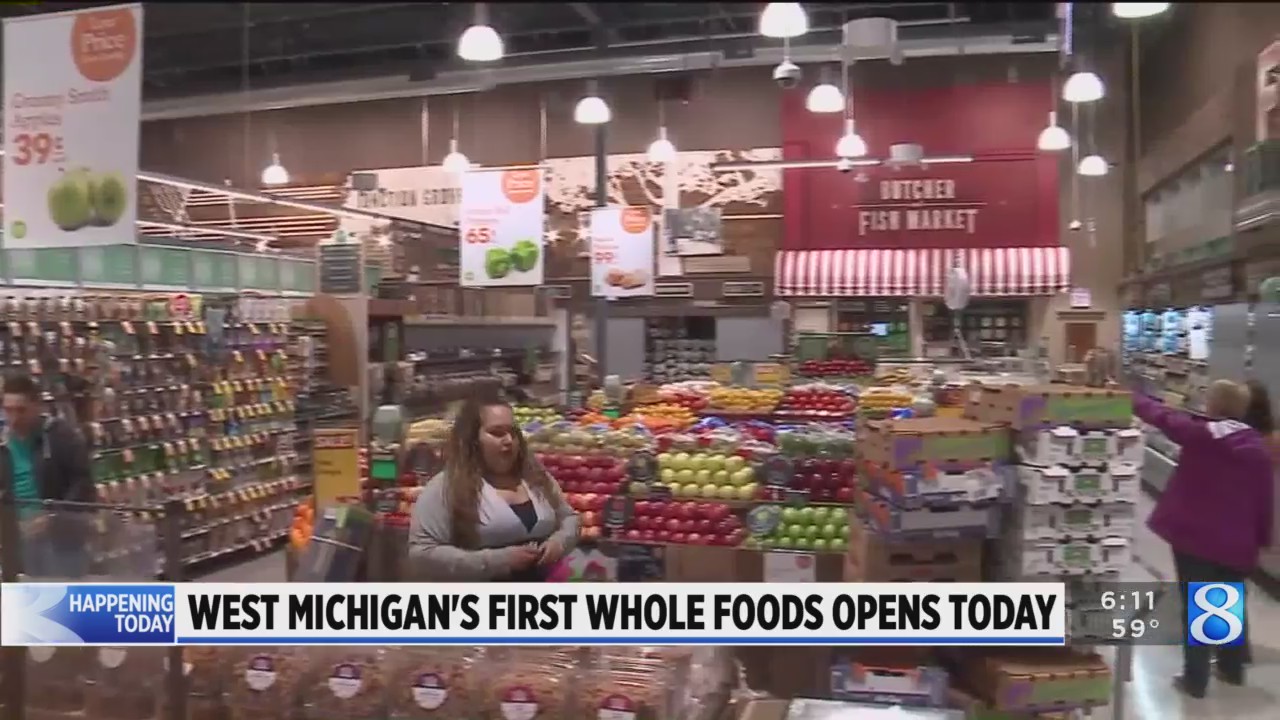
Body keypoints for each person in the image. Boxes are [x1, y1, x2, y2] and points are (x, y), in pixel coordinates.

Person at [1134, 379, 1274, 698]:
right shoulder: (1256, 448)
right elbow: (1264, 499)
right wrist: (1262, 538)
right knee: (1227, 599)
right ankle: (1231, 668)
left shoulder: (1200, 435)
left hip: (1196, 537)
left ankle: (1195, 680)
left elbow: (1161, 416)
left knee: (1196, 602)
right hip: (1238, 541)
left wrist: (1133, 397)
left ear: (1213, 406)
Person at [407, 390, 578, 581]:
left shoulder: (536, 478)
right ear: (472, 440)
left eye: (512, 432)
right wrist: (496, 561)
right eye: (496, 433)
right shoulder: (446, 487)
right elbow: (421, 553)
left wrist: (559, 542)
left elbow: (569, 518)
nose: (508, 440)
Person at [0, 373, 96, 578]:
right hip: (17, 544)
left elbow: (83, 484)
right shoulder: (4, 445)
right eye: (8, 410)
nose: (14, 418)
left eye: (21, 410)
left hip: (61, 545)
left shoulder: (62, 436)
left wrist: (53, 518)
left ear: (38, 406)